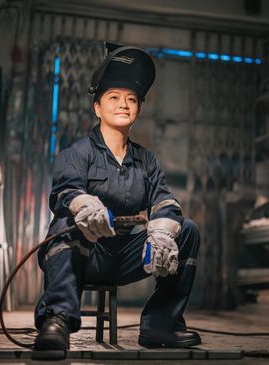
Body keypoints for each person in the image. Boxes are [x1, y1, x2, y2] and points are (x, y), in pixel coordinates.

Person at [33, 43, 201, 355]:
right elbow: (65, 192)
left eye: (131, 99)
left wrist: (162, 231)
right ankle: (55, 320)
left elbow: (164, 201)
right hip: (86, 255)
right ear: (97, 107)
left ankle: (161, 325)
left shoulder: (146, 160)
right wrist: (85, 207)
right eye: (114, 98)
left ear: (138, 109)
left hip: (125, 256)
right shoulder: (77, 153)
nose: (123, 104)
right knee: (66, 223)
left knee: (187, 229)